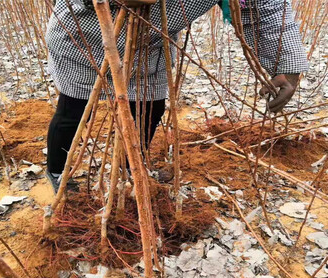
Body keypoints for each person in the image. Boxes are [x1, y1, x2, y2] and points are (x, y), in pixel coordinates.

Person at [45, 0, 308, 191]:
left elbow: (264, 7)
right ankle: (58, 174)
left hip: (150, 46)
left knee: (149, 110)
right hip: (84, 38)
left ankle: (130, 170)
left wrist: (286, 64)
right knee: (75, 110)